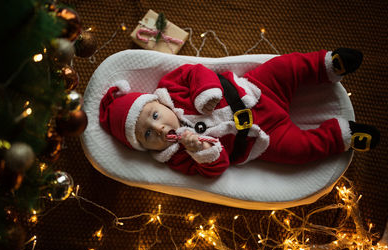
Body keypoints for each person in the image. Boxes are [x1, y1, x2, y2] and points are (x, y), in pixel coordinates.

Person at [99, 48, 380, 178]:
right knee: (299, 151)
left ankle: (327, 65)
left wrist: (205, 94)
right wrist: (202, 151)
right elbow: (216, 169)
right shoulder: (177, 157)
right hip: (261, 139)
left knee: (283, 68)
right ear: (144, 148)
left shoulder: (172, 89)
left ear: (158, 103)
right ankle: (342, 136)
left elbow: (196, 71)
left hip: (255, 91)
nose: (159, 129)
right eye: (148, 134)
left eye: (155, 117)